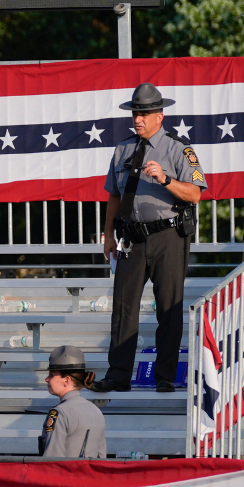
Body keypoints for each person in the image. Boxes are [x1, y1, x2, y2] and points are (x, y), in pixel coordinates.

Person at [91, 83, 206, 394]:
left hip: (168, 236)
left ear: (159, 115)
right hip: (131, 238)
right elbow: (114, 195)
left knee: (168, 308)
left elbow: (195, 194)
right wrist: (109, 234)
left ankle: (165, 376)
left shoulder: (179, 149)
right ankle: (118, 375)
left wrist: (166, 179)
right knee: (123, 308)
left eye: (143, 114)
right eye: (134, 113)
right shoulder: (123, 149)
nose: (137, 119)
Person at [39, 345, 107, 458]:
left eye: (51, 375)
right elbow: (102, 458)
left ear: (67, 380)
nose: (47, 379)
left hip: (66, 475)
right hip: (90, 475)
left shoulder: (59, 413)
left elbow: (52, 460)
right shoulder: (96, 411)